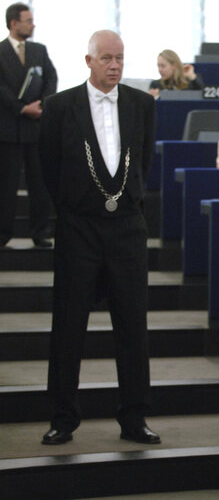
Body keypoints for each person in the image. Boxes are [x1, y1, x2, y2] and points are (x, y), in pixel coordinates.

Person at [38, 30, 159, 445]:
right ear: (88, 60)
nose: (115, 65)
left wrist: (124, 203)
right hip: (78, 228)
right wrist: (75, 208)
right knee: (69, 326)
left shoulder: (142, 105)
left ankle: (134, 418)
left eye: (120, 58)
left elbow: (142, 163)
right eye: (106, 58)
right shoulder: (58, 107)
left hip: (126, 228)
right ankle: (62, 418)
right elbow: (48, 168)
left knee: (132, 326)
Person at [0, 2, 56, 248]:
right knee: (6, 185)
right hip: (8, 129)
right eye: (28, 20)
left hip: (36, 128)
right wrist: (21, 108)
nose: (33, 24)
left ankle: (41, 231)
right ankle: (3, 234)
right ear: (14, 23)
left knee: (40, 183)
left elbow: (50, 78)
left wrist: (42, 105)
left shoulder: (39, 50)